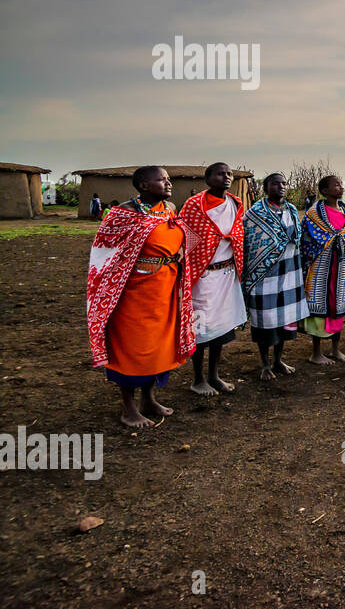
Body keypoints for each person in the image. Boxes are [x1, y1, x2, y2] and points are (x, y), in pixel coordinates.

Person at [87, 166, 194, 427]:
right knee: (132, 347)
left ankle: (149, 398)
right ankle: (128, 408)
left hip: (165, 289)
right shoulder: (123, 214)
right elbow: (105, 254)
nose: (168, 183)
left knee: (159, 345)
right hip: (132, 294)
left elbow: (180, 236)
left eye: (168, 179)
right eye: (162, 179)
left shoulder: (168, 209)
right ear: (144, 185)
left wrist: (179, 255)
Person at [177, 162, 247, 396]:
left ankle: (214, 375)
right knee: (201, 327)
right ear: (208, 179)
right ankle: (197, 379)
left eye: (229, 174)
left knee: (222, 327)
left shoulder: (236, 204)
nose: (226, 177)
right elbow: (186, 240)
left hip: (227, 274)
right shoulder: (194, 206)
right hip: (203, 276)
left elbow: (237, 235)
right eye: (220, 173)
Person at [242, 172, 311, 380]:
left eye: (283, 183)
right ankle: (264, 364)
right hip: (264, 276)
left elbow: (296, 238)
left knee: (286, 320)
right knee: (265, 321)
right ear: (266, 188)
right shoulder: (255, 214)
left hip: (289, 272)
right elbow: (249, 244)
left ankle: (278, 360)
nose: (280, 187)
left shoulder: (290, 209)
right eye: (275, 184)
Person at [300, 175, 345, 365]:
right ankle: (316, 352)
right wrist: (333, 241)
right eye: (336, 185)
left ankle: (335, 349)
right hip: (320, 265)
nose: (341, 187)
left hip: (340, 266)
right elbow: (308, 239)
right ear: (324, 191)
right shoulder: (314, 214)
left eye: (341, 183)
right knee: (319, 305)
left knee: (338, 305)